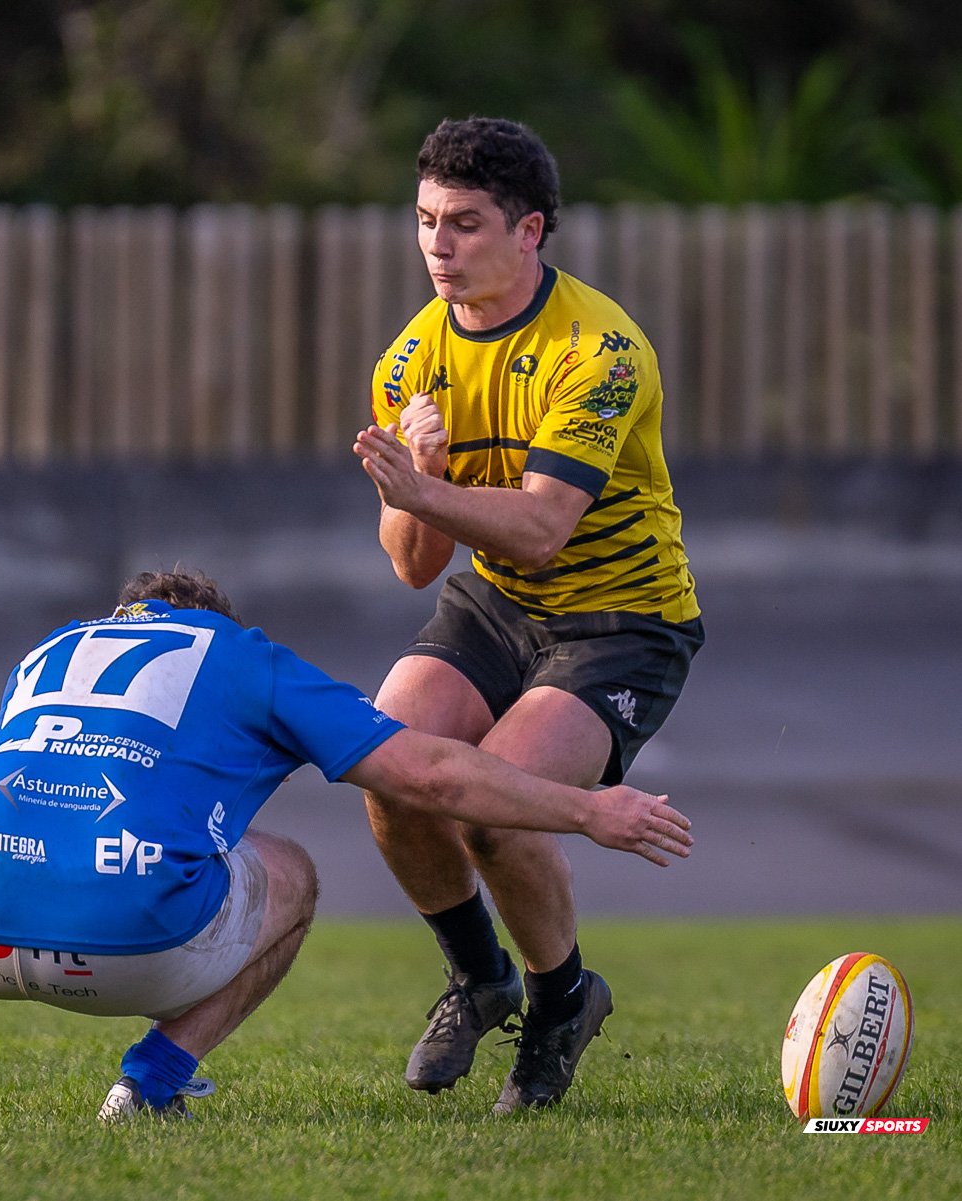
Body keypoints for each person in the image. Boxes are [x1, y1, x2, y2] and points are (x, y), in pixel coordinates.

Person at [0, 568, 693, 1124]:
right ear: (217, 620)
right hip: (133, 946)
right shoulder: (245, 658)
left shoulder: (50, 648)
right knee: (293, 873)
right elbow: (431, 775)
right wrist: (588, 811)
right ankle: (149, 1084)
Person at [351, 117, 704, 1113]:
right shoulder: (411, 362)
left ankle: (559, 1002)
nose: (437, 246)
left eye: (464, 223)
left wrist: (424, 493)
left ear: (529, 231)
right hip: (498, 605)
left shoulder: (601, 352)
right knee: (392, 763)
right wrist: (422, 476)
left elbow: (544, 528)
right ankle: (480, 977)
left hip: (622, 618)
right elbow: (417, 568)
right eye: (425, 220)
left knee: (492, 809)